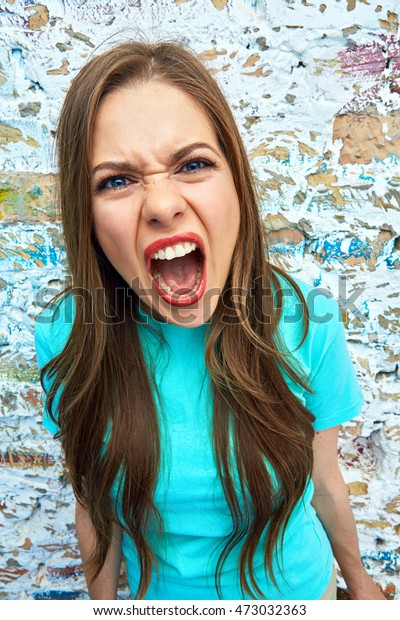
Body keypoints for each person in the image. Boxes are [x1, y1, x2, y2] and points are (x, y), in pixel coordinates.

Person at [34, 40, 385, 601]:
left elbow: (323, 480)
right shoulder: (67, 337)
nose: (161, 204)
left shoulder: (306, 322)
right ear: (90, 219)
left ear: (237, 184)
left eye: (193, 164)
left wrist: (361, 584)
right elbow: (94, 507)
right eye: (116, 181)